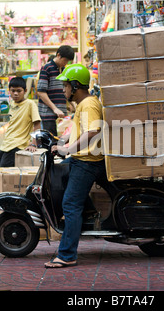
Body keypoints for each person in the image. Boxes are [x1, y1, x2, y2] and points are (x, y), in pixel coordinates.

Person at [44, 64, 106, 268]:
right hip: (81, 158)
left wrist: (67, 150)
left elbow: (92, 132)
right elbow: (79, 129)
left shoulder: (88, 104)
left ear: (75, 85)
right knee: (61, 174)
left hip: (87, 161)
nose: (63, 90)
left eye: (65, 86)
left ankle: (67, 255)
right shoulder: (83, 104)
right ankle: (87, 212)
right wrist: (62, 141)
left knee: (70, 205)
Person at [0, 77, 41, 221]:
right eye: (13, 91)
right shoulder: (11, 104)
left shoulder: (30, 104)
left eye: (19, 91)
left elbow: (37, 125)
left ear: (25, 91)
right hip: (5, 146)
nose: (16, 94)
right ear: (9, 91)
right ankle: (4, 206)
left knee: (2, 180)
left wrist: (33, 143)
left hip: (15, 147)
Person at [36, 45, 75, 136]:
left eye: (68, 61)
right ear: (58, 55)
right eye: (65, 60)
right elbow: (41, 92)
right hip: (48, 114)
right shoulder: (47, 68)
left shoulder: (64, 70)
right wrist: (55, 109)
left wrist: (72, 104)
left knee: (61, 141)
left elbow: (65, 90)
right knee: (51, 142)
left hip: (61, 114)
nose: (65, 63)